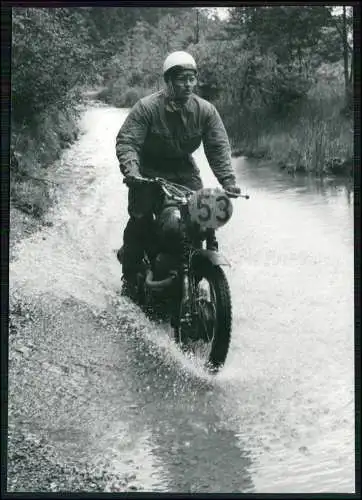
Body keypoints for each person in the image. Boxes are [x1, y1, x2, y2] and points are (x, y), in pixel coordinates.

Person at [115, 50, 241, 295]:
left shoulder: (205, 110)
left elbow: (217, 147)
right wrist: (132, 172)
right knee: (140, 218)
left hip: (184, 170)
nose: (188, 85)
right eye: (182, 79)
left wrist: (228, 181)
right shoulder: (147, 108)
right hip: (148, 170)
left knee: (203, 215)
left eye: (192, 79)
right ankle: (129, 277)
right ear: (169, 81)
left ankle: (194, 268)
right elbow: (127, 142)